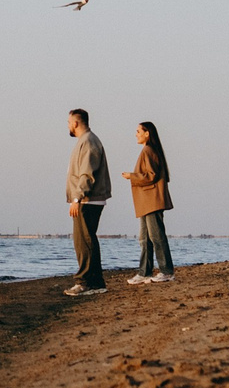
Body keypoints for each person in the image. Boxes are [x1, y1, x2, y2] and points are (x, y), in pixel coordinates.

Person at [63, 108, 111, 295]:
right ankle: (97, 283)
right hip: (86, 199)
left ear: (76, 123)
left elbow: (87, 174)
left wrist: (77, 198)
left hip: (87, 200)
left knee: (84, 242)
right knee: (86, 240)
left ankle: (85, 282)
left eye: (69, 122)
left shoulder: (89, 142)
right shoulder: (86, 141)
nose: (68, 126)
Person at [120, 120, 174, 284]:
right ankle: (145, 272)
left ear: (147, 133)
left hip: (152, 200)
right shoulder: (149, 150)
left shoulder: (148, 150)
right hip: (146, 201)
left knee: (156, 237)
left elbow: (151, 175)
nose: (136, 134)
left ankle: (166, 271)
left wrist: (132, 176)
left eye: (138, 131)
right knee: (144, 239)